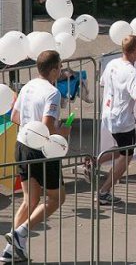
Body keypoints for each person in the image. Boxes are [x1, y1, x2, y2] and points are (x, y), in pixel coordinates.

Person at [2, 51, 70, 263]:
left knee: (30, 200)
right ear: (52, 70)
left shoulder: (28, 85)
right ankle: (20, 234)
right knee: (57, 198)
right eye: (59, 67)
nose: (60, 71)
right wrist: (62, 132)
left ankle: (9, 250)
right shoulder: (53, 92)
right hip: (41, 150)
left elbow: (14, 116)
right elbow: (48, 126)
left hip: (22, 144)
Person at [97, 35, 136, 205]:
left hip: (109, 114)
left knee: (123, 148)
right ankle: (104, 191)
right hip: (123, 119)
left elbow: (102, 82)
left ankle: (94, 161)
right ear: (133, 51)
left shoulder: (112, 64)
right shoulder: (132, 72)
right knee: (127, 156)